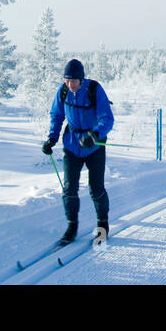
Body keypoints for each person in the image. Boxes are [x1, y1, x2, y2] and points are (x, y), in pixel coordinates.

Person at [42, 58, 115, 246]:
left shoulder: (94, 90)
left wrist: (95, 134)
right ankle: (71, 226)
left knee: (96, 188)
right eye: (66, 80)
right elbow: (56, 115)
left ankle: (102, 227)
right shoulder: (63, 91)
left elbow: (107, 118)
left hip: (94, 146)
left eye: (73, 81)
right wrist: (52, 138)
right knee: (69, 188)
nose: (69, 84)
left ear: (81, 80)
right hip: (72, 145)